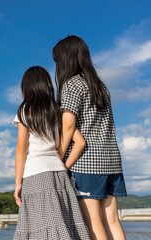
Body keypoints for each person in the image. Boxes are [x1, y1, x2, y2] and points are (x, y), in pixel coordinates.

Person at [53, 35, 127, 240]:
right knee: (112, 220)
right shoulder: (100, 86)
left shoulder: (72, 84)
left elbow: (68, 126)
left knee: (93, 223)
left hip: (87, 164)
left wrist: (57, 159)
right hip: (112, 161)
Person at [13, 66, 90, 240]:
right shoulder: (58, 111)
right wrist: (63, 165)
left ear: (27, 87)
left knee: (38, 229)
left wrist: (18, 182)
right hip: (60, 174)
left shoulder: (25, 110)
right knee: (63, 227)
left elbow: (21, 149)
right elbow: (80, 142)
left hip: (35, 175)